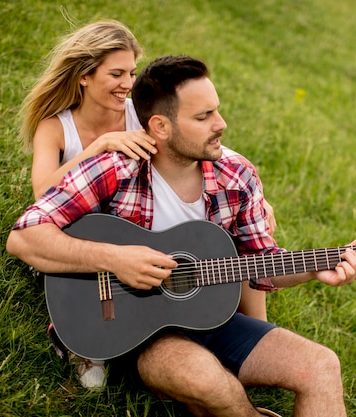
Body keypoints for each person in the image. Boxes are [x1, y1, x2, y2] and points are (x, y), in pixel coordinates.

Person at [7, 55, 356, 416]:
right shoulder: (116, 168)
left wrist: (317, 268)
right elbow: (24, 236)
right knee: (205, 380)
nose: (221, 124)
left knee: (322, 365)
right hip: (141, 331)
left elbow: (263, 265)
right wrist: (115, 259)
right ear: (160, 126)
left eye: (217, 111)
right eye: (203, 117)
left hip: (214, 316)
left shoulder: (237, 175)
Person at [19, 21, 276, 390]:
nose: (127, 83)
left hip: (129, 226)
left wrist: (255, 192)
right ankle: (80, 336)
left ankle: (254, 327)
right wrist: (101, 145)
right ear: (84, 77)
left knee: (249, 227)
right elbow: (43, 191)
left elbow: (183, 141)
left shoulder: (136, 113)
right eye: (116, 73)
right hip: (77, 228)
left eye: (132, 72)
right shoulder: (56, 126)